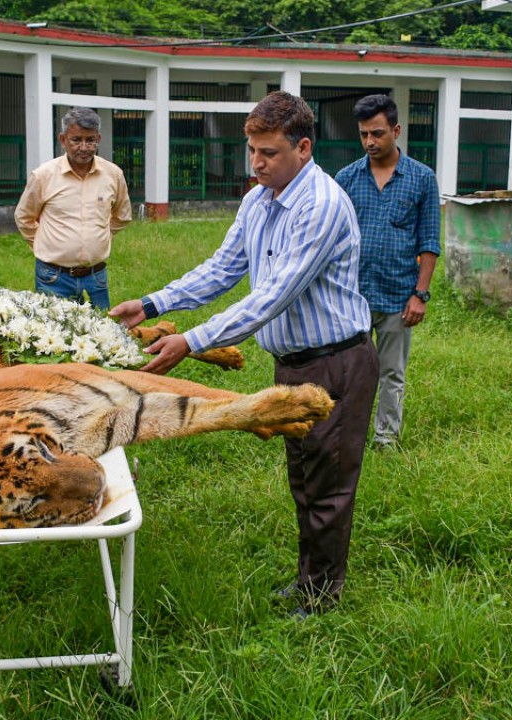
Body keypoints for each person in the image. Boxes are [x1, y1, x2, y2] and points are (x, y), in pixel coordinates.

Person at [109, 91, 379, 618]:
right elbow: (222, 268)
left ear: (303, 148)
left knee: (328, 484)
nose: (256, 163)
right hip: (294, 362)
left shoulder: (320, 205)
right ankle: (309, 581)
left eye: (269, 152)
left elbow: (272, 295)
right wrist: (152, 302)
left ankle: (322, 599)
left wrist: (191, 341)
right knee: (303, 478)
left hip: (337, 362)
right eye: (251, 150)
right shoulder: (259, 200)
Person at [334, 94, 440, 451]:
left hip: (398, 297)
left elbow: (429, 241)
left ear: (396, 130)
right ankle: (349, 436)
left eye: (377, 133)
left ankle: (385, 438)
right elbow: (331, 238)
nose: (369, 142)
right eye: (364, 134)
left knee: (392, 373)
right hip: (353, 298)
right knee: (351, 374)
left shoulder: (422, 179)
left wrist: (420, 294)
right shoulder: (346, 178)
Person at [14, 107, 133, 310]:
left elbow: (122, 215)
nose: (84, 147)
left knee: (101, 336)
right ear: (63, 140)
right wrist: (43, 244)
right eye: (76, 140)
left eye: (90, 140)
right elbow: (24, 217)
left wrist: (101, 235)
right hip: (53, 277)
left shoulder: (113, 174)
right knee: (54, 337)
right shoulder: (43, 176)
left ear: (99, 139)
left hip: (96, 277)